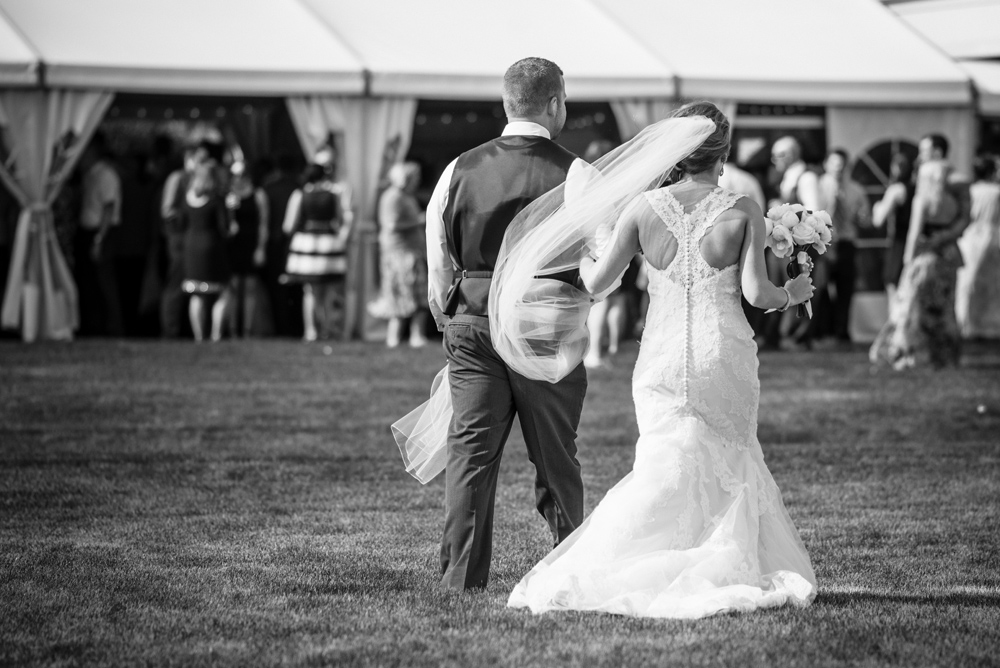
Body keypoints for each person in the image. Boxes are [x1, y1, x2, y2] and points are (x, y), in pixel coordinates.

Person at [509, 101, 818, 619]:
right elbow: (757, 294)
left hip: (663, 353)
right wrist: (794, 291)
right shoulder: (741, 209)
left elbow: (597, 284)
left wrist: (590, 249)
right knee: (730, 452)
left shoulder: (642, 209)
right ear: (722, 152)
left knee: (662, 457)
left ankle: (634, 557)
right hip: (723, 351)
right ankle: (718, 554)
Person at [426, 57, 590, 590]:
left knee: (471, 453)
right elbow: (602, 260)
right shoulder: (575, 172)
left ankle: (460, 579)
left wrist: (448, 309)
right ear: (554, 104)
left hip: (471, 319)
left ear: (506, 103)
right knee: (556, 457)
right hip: (545, 325)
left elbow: (438, 261)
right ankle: (568, 570)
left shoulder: (458, 168)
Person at [870, 133, 971, 369]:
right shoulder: (959, 188)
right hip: (949, 253)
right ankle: (945, 356)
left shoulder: (923, 196)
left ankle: (906, 354)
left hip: (923, 254)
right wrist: (944, 237)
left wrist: (908, 260)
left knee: (910, 308)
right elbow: (965, 220)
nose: (920, 157)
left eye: (924, 151)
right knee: (944, 307)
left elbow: (914, 232)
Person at [282, 146, 354, 342]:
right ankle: (327, 329)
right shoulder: (334, 193)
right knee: (330, 290)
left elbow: (288, 225)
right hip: (328, 243)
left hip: (307, 244)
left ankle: (311, 330)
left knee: (311, 291)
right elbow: (342, 218)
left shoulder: (301, 194)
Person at [765, 136, 823, 350]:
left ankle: (796, 337)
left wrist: (784, 208)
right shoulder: (787, 176)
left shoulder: (806, 178)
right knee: (780, 288)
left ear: (792, 155)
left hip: (799, 248)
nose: (774, 161)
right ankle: (780, 336)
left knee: (798, 290)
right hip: (783, 245)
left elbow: (813, 213)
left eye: (778, 156)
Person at [581, 138, 633, 369]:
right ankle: (597, 352)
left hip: (591, 247)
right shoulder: (612, 184)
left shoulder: (584, 181)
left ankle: (597, 349)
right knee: (606, 302)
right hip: (606, 247)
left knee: (599, 303)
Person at [368, 161, 430, 348]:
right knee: (401, 293)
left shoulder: (405, 197)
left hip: (409, 251)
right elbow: (391, 225)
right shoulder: (394, 197)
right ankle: (397, 336)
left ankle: (413, 336)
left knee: (414, 294)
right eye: (414, 177)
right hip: (399, 253)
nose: (417, 181)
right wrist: (419, 220)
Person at [74, 131, 124, 336]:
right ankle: (95, 325)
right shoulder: (91, 174)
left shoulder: (106, 174)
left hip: (101, 233)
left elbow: (109, 208)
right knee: (90, 282)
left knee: (104, 282)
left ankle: (112, 327)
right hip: (89, 231)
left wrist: (99, 239)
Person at [819, 148, 871, 344]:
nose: (838, 169)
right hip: (823, 242)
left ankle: (842, 331)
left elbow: (865, 219)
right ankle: (825, 330)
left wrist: (863, 218)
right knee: (821, 287)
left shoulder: (856, 190)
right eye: (834, 165)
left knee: (845, 289)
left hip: (847, 242)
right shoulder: (818, 186)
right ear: (827, 165)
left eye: (841, 166)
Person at [180, 160, 232, 342]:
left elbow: (180, 222)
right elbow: (224, 227)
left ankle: (199, 336)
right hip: (211, 245)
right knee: (223, 291)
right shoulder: (216, 199)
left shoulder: (187, 199)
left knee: (197, 292)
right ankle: (216, 335)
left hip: (191, 245)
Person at [955, 155, 1000, 338]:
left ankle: (965, 322)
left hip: (970, 236)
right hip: (991, 236)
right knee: (990, 282)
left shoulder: (971, 191)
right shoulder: (996, 191)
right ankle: (988, 324)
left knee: (967, 281)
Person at [224, 160, 270, 337]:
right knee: (234, 288)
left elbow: (263, 223)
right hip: (234, 246)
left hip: (251, 244)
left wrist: (261, 248)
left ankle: (247, 329)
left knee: (250, 288)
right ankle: (233, 329)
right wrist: (229, 210)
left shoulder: (258, 195)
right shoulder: (229, 196)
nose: (239, 178)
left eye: (242, 175)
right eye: (235, 175)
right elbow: (225, 225)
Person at [261, 154, 301, 337]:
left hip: (274, 244)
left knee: (277, 290)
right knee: (296, 288)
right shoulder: (297, 188)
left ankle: (280, 328)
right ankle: (295, 327)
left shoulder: (268, 189)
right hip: (294, 244)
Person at [871, 152, 916, 303]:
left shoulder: (896, 190)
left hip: (900, 242)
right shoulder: (918, 189)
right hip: (918, 242)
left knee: (893, 283)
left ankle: (897, 322)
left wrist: (877, 206)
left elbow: (878, 220)